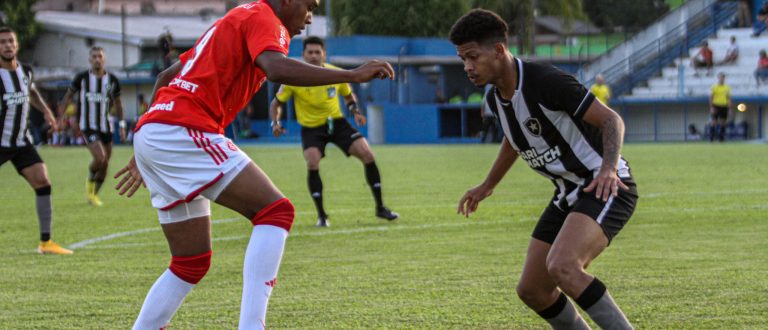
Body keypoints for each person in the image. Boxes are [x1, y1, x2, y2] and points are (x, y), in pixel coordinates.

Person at [112, 1, 395, 328]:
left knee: (190, 262)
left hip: (158, 131)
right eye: (309, 5)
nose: (311, 16)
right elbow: (275, 68)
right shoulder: (265, 17)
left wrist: (147, 140)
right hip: (185, 129)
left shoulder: (236, 19)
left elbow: (166, 77)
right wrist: (352, 74)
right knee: (276, 211)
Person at [451, 9, 638, 329]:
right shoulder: (496, 98)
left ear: (498, 50)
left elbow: (611, 120)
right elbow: (514, 138)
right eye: (462, 59)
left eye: (472, 56)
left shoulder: (546, 81)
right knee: (533, 290)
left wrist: (608, 169)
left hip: (604, 184)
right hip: (567, 193)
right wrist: (488, 184)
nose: (468, 67)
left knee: (564, 266)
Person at [269, 36, 398, 227]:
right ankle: (322, 216)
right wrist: (275, 122)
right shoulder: (294, 79)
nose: (313, 56)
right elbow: (276, 103)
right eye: (310, 52)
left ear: (324, 54)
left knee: (367, 153)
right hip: (312, 128)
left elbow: (348, 96)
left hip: (337, 123)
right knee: (312, 161)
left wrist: (356, 112)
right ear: (303, 54)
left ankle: (380, 208)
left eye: (317, 52)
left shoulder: (335, 74)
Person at [0, 27, 72, 254]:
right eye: (2, 42)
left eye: (11, 41)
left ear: (17, 44)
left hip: (21, 142)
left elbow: (31, 92)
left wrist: (47, 112)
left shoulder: (26, 71)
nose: (7, 45)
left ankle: (46, 242)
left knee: (42, 181)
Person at [58, 46, 125, 207]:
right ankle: (90, 187)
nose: (97, 59)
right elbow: (68, 96)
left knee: (105, 163)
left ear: (104, 59)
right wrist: (61, 118)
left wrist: (121, 125)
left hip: (106, 126)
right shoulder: (81, 78)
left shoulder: (113, 80)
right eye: (94, 56)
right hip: (88, 126)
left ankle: (93, 192)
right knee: (101, 158)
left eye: (99, 56)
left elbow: (119, 104)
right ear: (90, 60)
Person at [709, 72, 731, 142]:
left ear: (724, 78)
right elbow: (711, 97)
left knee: (723, 122)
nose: (721, 79)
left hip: (724, 106)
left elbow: (728, 98)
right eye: (720, 77)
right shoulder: (714, 87)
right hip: (716, 105)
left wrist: (729, 108)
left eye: (723, 77)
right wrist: (711, 107)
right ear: (718, 78)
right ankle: (711, 138)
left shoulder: (727, 87)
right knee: (713, 122)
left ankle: (721, 139)